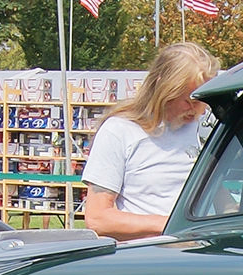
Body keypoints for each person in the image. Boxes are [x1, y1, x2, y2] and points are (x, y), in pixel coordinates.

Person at [81, 41, 220, 240]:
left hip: (198, 257)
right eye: (189, 101)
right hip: (144, 260)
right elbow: (98, 218)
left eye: (202, 101)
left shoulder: (204, 130)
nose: (198, 110)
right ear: (163, 88)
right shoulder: (119, 130)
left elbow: (221, 199)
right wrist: (171, 224)